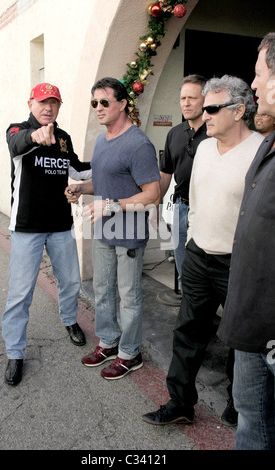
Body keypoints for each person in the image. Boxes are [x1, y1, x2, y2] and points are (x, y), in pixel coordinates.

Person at [142, 75, 264, 426]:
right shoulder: (206, 148)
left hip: (236, 264)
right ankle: (180, 403)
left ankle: (238, 403)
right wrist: (193, 238)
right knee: (187, 332)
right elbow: (193, 198)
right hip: (198, 257)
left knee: (239, 339)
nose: (203, 115)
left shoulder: (260, 152)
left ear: (239, 110)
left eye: (212, 108)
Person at [65, 77, 160, 380]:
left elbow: (152, 194)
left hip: (128, 231)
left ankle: (130, 353)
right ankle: (108, 341)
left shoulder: (138, 143)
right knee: (103, 291)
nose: (98, 108)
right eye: (94, 103)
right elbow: (106, 182)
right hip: (103, 229)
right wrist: (83, 188)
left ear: (122, 104)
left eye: (105, 102)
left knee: (128, 295)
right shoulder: (101, 140)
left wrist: (111, 205)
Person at [2, 82, 92, 386]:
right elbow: (17, 145)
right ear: (31, 103)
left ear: (59, 106)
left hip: (60, 225)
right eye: (42, 102)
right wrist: (34, 136)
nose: (48, 107)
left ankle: (69, 321)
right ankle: (15, 353)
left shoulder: (63, 139)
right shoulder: (18, 131)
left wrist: (113, 163)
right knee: (20, 293)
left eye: (54, 102)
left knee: (70, 280)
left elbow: (79, 170)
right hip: (27, 227)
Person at [218, 33, 275, 450]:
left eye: (259, 76)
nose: (254, 86)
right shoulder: (270, 143)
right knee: (251, 424)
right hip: (251, 321)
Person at [159, 75, 209, 293]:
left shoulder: (216, 132)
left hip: (208, 212)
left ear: (205, 100)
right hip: (181, 209)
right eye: (182, 98)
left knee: (207, 272)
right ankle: (189, 314)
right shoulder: (174, 134)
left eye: (192, 98)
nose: (186, 103)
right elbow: (165, 175)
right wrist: (153, 206)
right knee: (183, 270)